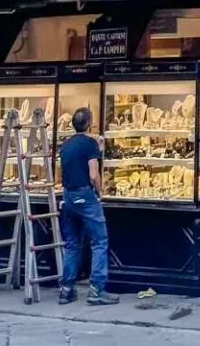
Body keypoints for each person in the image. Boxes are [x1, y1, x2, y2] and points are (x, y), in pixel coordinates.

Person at [58, 107, 118, 306]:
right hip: (85, 195)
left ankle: (66, 289)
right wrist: (99, 193)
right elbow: (93, 174)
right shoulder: (89, 144)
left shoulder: (65, 145)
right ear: (89, 123)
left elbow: (65, 171)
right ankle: (96, 289)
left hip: (68, 196)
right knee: (99, 241)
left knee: (73, 244)